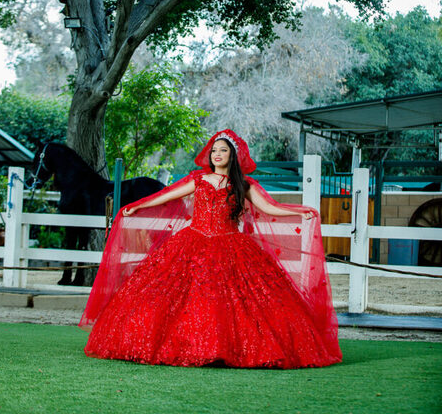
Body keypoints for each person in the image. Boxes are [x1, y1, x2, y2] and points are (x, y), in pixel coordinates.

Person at [79, 130, 342, 369]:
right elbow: (167, 195)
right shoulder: (199, 179)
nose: (217, 154)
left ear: (232, 156)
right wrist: (137, 206)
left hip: (231, 244)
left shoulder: (244, 185)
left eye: (223, 150)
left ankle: (223, 349)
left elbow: (269, 208)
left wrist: (298, 212)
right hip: (192, 241)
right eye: (214, 150)